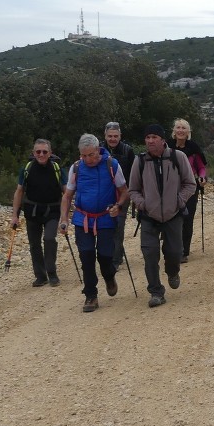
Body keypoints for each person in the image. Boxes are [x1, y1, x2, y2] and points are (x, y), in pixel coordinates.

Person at [128, 124, 197, 308]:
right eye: (147, 138)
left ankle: (172, 271)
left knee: (175, 252)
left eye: (154, 137)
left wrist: (178, 201)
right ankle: (156, 292)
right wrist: (143, 204)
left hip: (173, 215)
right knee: (149, 253)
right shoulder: (140, 161)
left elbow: (190, 184)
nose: (150, 141)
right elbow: (133, 189)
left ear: (163, 139)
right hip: (149, 217)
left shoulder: (177, 157)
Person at [58, 133, 128, 313]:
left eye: (90, 154)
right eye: (83, 155)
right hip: (83, 219)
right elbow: (67, 196)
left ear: (98, 150)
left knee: (105, 257)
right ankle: (91, 295)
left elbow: (124, 191)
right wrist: (64, 219)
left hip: (105, 217)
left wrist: (118, 206)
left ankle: (109, 276)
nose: (87, 159)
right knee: (86, 256)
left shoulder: (111, 164)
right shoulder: (77, 168)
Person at [10, 138, 64, 287]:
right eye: (38, 151)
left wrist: (67, 214)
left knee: (49, 239)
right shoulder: (27, 169)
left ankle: (51, 272)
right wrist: (15, 215)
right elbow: (19, 191)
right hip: (32, 211)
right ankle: (40, 276)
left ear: (50, 153)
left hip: (52, 210)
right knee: (34, 244)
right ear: (33, 153)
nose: (41, 154)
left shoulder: (57, 169)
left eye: (44, 152)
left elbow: (66, 191)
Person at [171, 118, 208, 261]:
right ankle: (172, 248)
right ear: (174, 131)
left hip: (190, 188)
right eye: (178, 127)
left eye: (183, 128)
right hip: (170, 187)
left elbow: (201, 167)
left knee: (187, 218)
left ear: (188, 132)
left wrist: (203, 178)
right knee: (172, 218)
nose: (180, 130)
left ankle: (183, 251)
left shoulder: (194, 148)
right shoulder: (166, 146)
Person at [103, 122, 136, 271]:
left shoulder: (128, 150)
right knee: (106, 226)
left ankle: (115, 260)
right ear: (105, 136)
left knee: (118, 224)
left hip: (123, 192)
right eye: (110, 136)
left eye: (115, 136)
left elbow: (134, 172)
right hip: (104, 194)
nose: (113, 139)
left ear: (120, 136)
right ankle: (117, 251)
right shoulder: (98, 150)